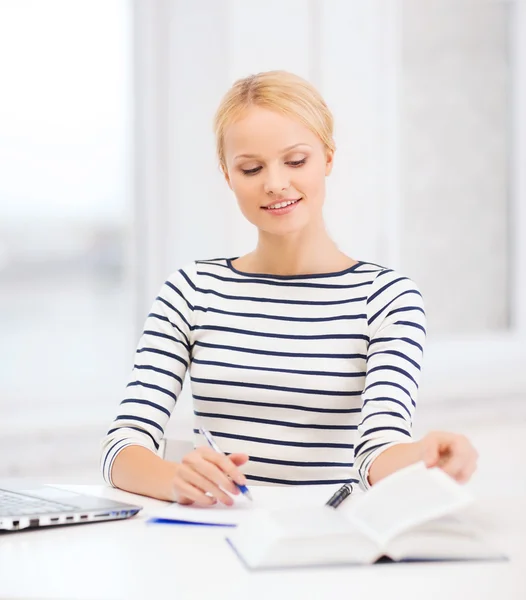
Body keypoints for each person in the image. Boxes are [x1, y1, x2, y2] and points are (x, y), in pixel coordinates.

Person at [100, 70, 478, 506]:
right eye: (251, 168)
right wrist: (173, 478)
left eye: (296, 161)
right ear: (227, 175)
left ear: (328, 159)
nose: (275, 183)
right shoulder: (191, 290)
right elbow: (122, 447)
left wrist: (424, 456)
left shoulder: (387, 298)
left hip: (328, 542)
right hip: (211, 538)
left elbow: (377, 451)